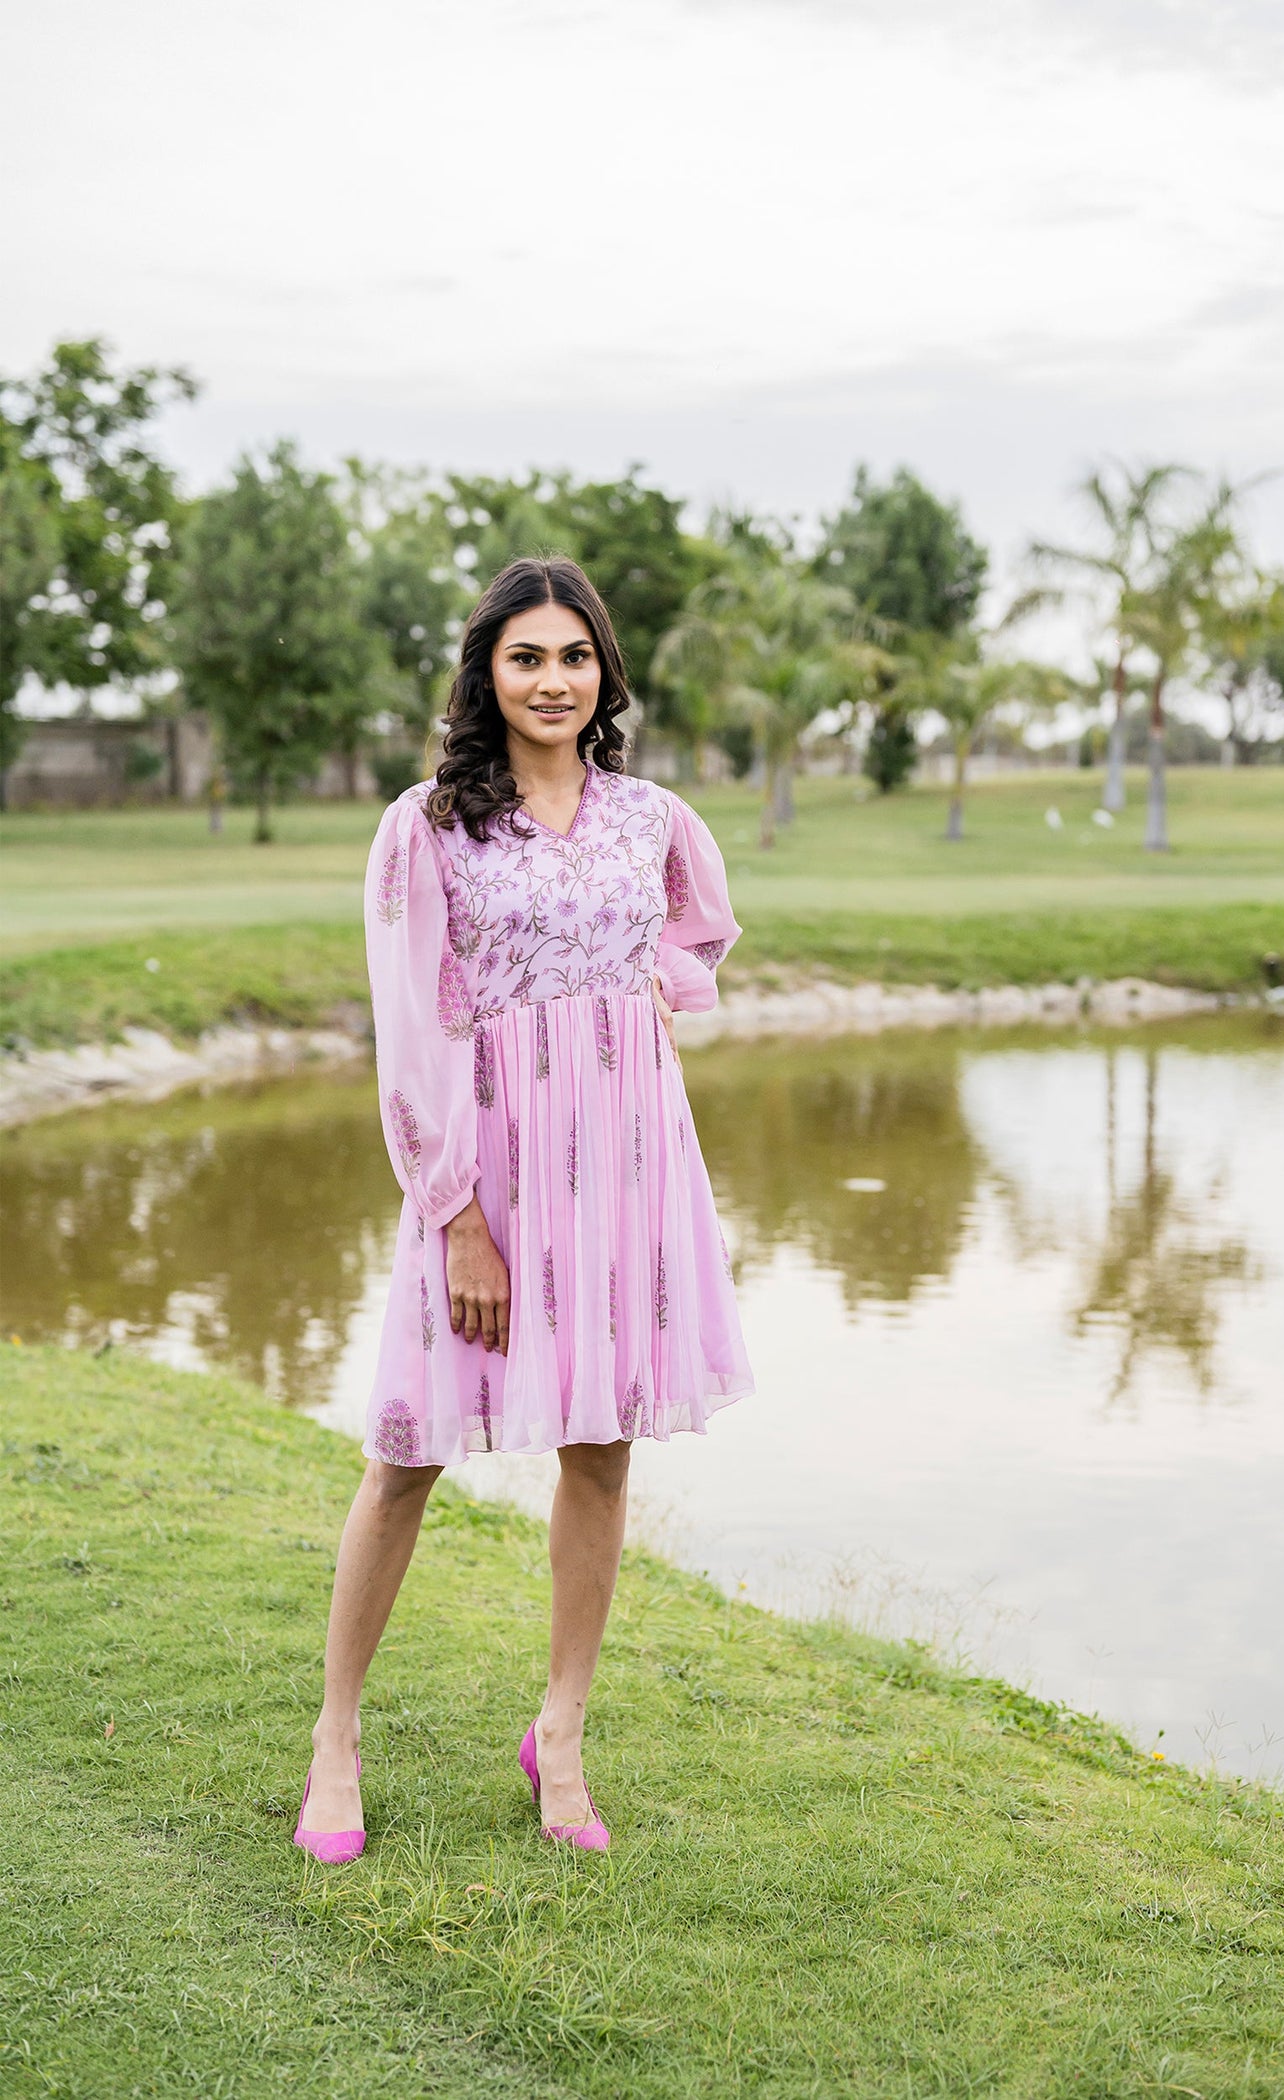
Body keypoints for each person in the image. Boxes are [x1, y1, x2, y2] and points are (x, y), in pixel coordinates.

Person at [294, 558, 753, 1861]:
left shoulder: (653, 816)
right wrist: (456, 1215)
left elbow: (697, 932)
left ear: (604, 671)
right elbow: (409, 1030)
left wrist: (652, 988)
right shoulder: (427, 826)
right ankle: (336, 1736)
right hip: (486, 1172)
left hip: (625, 1162)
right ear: (485, 675)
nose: (554, 681)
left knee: (601, 1447)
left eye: (575, 657)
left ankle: (563, 1732)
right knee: (407, 1455)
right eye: (526, 658)